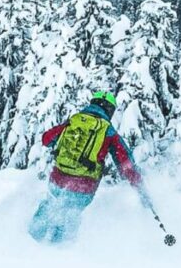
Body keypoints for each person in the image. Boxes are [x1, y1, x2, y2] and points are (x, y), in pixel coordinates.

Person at [28, 90, 143, 244]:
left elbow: (46, 139)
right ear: (110, 110)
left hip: (58, 179)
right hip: (83, 187)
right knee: (70, 217)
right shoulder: (108, 131)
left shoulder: (74, 121)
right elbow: (126, 163)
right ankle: (57, 255)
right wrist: (139, 185)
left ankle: (27, 244)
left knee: (50, 207)